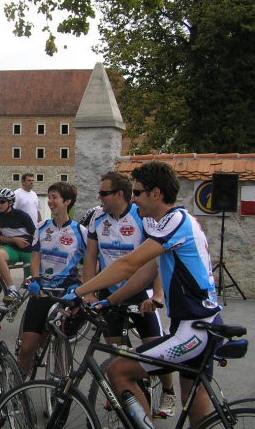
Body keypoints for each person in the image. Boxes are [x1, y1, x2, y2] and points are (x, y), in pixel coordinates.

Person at [69, 161, 222, 427]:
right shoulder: (177, 222)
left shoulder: (174, 221)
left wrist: (78, 292)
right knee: (193, 396)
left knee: (118, 370)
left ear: (156, 193)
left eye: (138, 193)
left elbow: (128, 264)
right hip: (200, 324)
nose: (134, 199)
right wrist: (108, 301)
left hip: (194, 328)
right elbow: (144, 273)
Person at [83, 171, 175, 417]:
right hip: (111, 292)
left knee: (154, 347)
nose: (99, 197)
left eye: (104, 193)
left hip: (139, 292)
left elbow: (153, 260)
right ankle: (125, 390)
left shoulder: (141, 218)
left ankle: (168, 391)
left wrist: (157, 294)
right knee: (116, 352)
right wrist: (89, 293)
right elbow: (90, 258)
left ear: (119, 194)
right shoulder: (96, 217)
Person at [18, 181, 87, 375]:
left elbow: (92, 262)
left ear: (67, 201)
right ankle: (16, 390)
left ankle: (58, 395)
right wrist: (36, 278)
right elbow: (36, 255)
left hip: (65, 295)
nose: (50, 202)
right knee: (27, 348)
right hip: (42, 292)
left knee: (61, 347)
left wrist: (83, 286)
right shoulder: (41, 227)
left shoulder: (80, 231)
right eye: (49, 197)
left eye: (54, 197)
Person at [0, 188, 36, 303]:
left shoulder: (22, 215)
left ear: (10, 203)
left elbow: (36, 235)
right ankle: (12, 289)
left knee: (29, 287)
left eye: (2, 202)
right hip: (12, 250)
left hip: (29, 251)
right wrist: (14, 239)